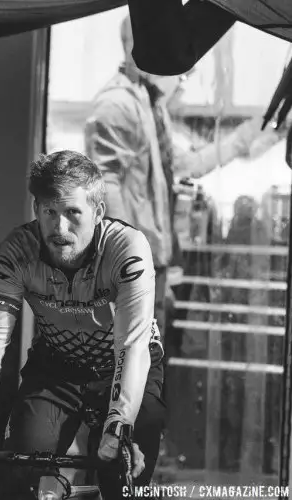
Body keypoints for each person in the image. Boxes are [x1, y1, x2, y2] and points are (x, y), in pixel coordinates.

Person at [0, 151, 166, 500]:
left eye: (73, 213)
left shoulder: (127, 248)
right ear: (36, 211)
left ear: (98, 212)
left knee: (122, 479)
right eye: (50, 212)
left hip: (126, 365)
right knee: (23, 478)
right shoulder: (18, 251)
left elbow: (132, 345)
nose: (60, 229)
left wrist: (118, 423)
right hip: (57, 368)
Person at [84, 14, 281, 338]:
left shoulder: (149, 105)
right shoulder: (117, 105)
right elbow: (106, 187)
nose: (180, 74)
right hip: (134, 267)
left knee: (145, 364)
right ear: (141, 48)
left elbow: (189, 164)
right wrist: (129, 270)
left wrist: (261, 129)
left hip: (150, 263)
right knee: (129, 365)